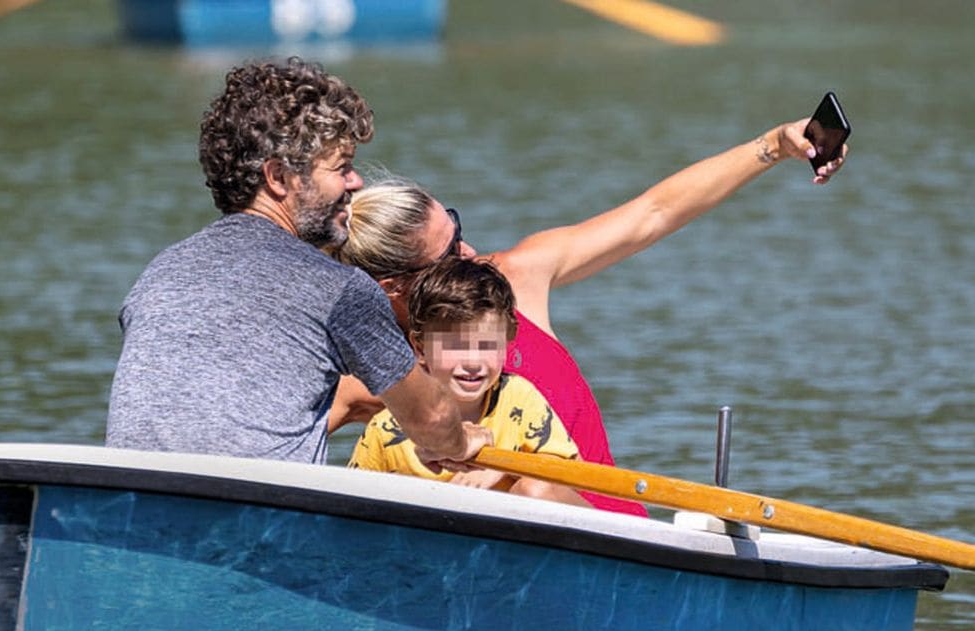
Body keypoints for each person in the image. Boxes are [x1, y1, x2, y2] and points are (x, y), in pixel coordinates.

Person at [332, 116, 847, 514]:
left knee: (532, 489)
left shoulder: (515, 278)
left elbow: (653, 214)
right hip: (474, 561)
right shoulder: (368, 373)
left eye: (458, 228)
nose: (470, 253)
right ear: (392, 288)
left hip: (605, 536)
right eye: (449, 254)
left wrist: (773, 145)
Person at [106, 57, 489, 469]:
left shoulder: (160, 272)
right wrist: (460, 439)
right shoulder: (338, 288)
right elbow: (431, 418)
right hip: (253, 518)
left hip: (127, 504)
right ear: (278, 178)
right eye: (341, 167)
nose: (355, 182)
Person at [351, 257, 589, 507]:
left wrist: (504, 468)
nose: (474, 362)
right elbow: (353, 505)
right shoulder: (385, 429)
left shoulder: (519, 396)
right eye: (456, 346)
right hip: (436, 539)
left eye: (487, 345)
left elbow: (573, 474)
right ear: (420, 349)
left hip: (524, 536)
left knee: (535, 488)